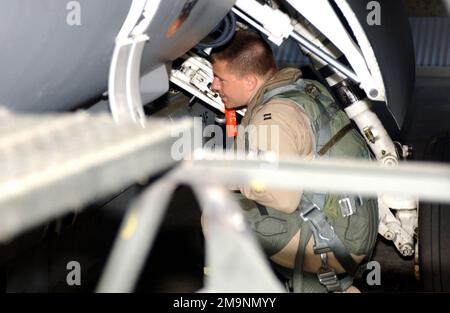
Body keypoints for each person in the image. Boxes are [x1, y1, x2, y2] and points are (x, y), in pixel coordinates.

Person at [208, 29, 379, 293]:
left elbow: (283, 198)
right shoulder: (303, 89)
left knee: (215, 214)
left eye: (220, 79)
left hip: (333, 240)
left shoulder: (273, 116)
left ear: (250, 82)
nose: (214, 86)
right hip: (356, 221)